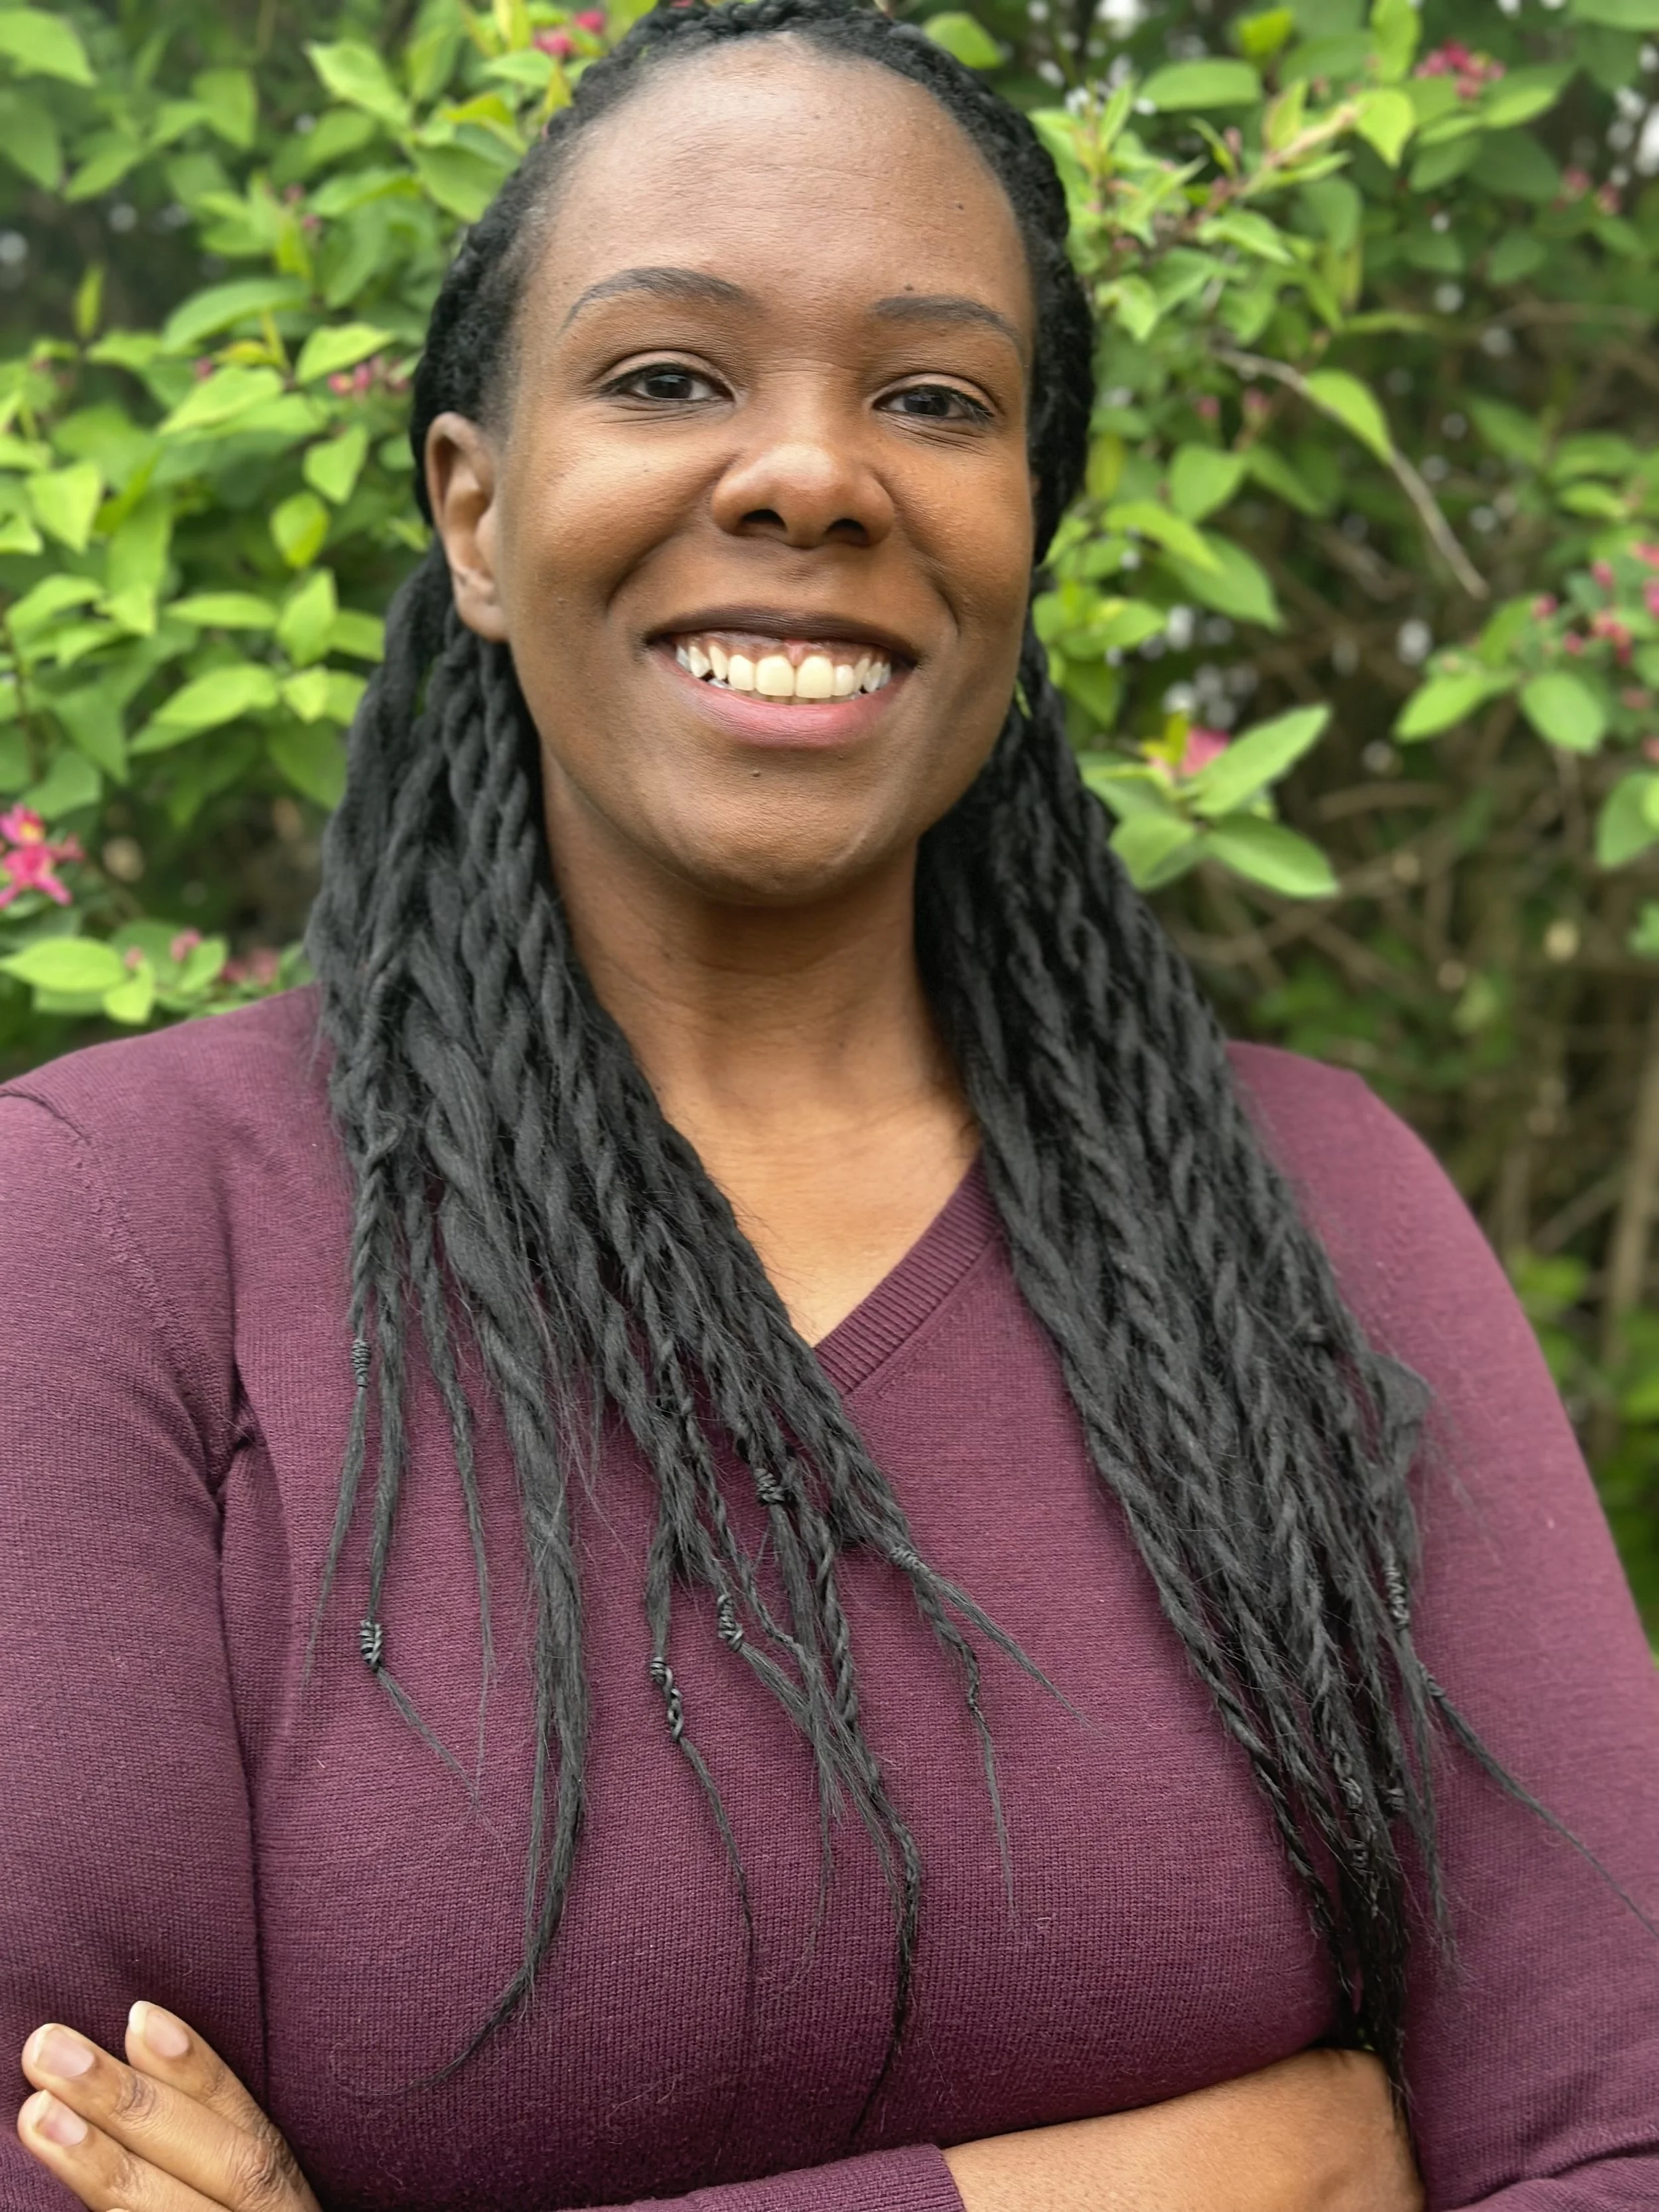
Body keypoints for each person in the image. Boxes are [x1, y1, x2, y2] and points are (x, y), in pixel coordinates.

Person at [4, 3, 1657, 2207]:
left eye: (934, 400)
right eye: (666, 375)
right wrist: (1218, 2171)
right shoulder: (119, 1235)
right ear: (473, 513)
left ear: (1025, 528)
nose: (809, 474)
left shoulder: (1309, 1205)